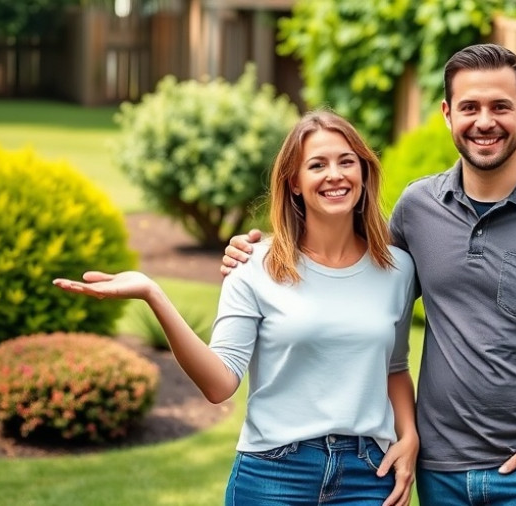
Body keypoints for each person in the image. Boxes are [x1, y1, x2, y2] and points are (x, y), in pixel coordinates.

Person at [221, 44, 516, 505]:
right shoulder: (418, 208)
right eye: (469, 107)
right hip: (440, 472)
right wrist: (264, 250)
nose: (484, 121)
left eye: (500, 107)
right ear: (448, 114)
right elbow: (347, 265)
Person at [54, 110, 419, 506]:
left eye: (346, 161)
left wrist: (410, 436)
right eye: (317, 165)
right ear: (294, 182)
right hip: (273, 475)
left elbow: (394, 368)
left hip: (368, 477)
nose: (335, 175)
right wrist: (152, 294)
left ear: (363, 172)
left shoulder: (396, 270)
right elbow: (219, 384)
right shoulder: (253, 265)